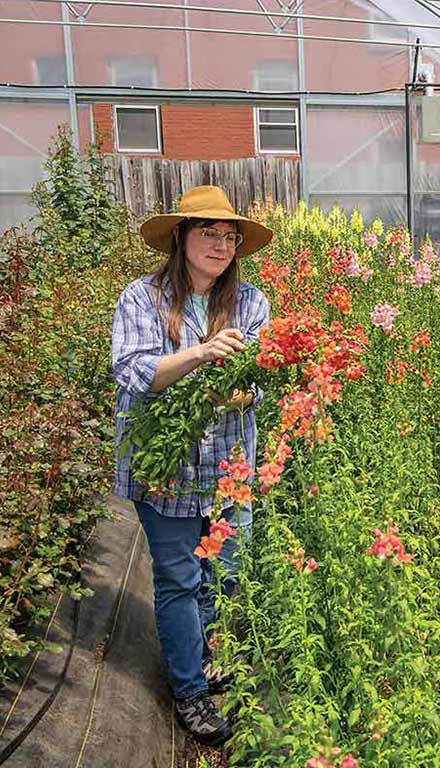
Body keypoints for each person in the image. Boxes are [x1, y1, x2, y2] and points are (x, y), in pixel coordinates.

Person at [112, 185, 272, 747]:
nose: (222, 244)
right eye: (209, 232)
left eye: (230, 236)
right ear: (180, 235)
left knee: (224, 573)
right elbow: (136, 373)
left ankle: (200, 659)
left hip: (229, 467)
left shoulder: (251, 302)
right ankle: (188, 690)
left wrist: (243, 394)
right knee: (179, 579)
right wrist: (202, 353)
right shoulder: (141, 298)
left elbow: (259, 379)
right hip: (166, 470)